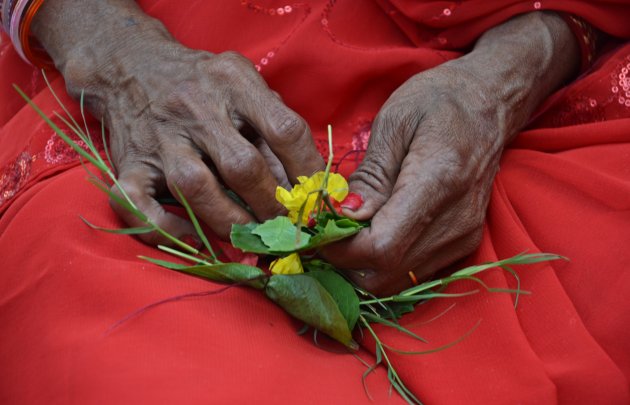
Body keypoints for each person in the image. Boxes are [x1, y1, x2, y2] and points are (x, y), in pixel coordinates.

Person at [1, 0, 629, 403]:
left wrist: (510, 76)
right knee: (127, 368)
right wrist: (118, 55)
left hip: (502, 83)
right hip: (147, 80)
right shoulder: (131, 78)